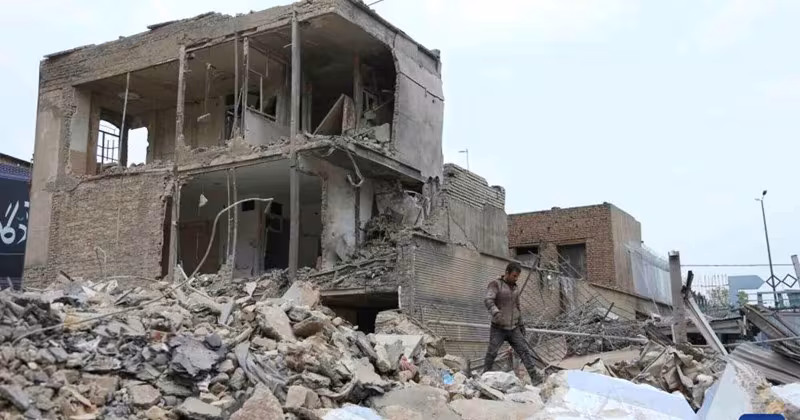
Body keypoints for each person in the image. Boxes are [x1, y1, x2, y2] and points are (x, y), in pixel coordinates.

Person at [482, 261, 542, 383]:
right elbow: (488, 300)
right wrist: (495, 312)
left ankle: (535, 378)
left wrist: (521, 323)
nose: (516, 278)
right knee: (492, 353)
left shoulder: (515, 288)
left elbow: (517, 306)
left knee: (524, 351)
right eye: (514, 276)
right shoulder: (495, 284)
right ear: (507, 273)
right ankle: (485, 376)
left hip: (513, 328)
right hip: (498, 327)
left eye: (517, 276)